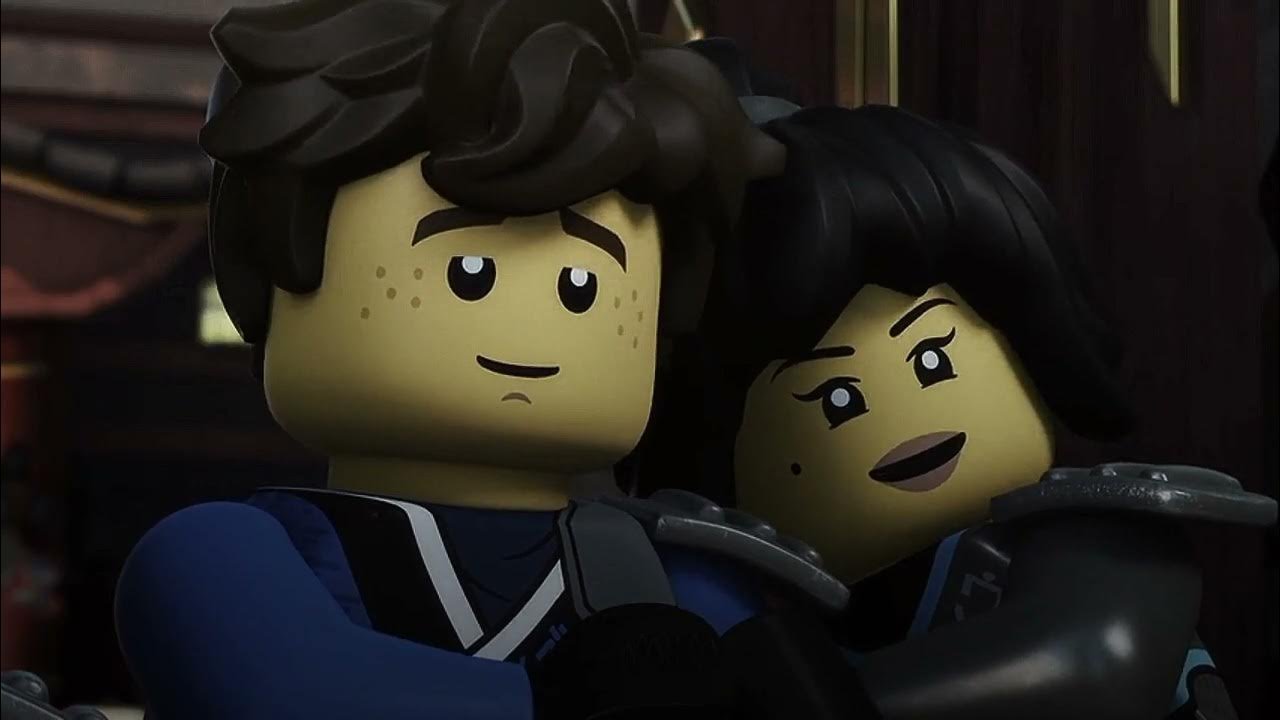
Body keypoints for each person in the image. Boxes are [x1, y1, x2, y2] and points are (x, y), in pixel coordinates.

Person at [114, 2, 881, 719]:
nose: (532, 322)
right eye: (469, 272)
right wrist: (569, 698)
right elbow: (290, 687)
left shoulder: (677, 573)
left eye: (582, 285)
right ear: (273, 277)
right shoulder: (221, 556)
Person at [682, 98, 1276, 719]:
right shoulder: (746, 603)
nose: (904, 420)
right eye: (838, 399)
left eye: (931, 359)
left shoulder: (1095, 553)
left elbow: (1092, 656)